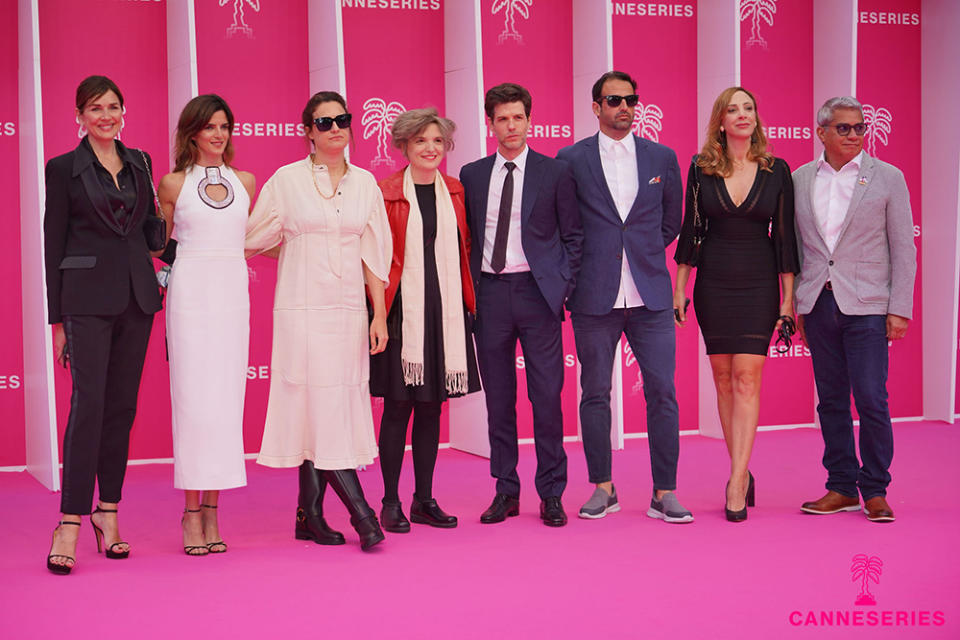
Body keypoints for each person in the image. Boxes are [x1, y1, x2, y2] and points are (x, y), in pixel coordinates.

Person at [245, 91, 391, 550]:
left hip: (348, 313)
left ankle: (308, 516)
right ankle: (364, 517)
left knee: (329, 409)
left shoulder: (366, 183)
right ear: (308, 131)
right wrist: (293, 251)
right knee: (320, 409)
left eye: (341, 120)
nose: (334, 129)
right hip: (302, 314)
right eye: (323, 123)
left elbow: (375, 253)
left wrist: (379, 314)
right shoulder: (286, 181)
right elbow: (250, 238)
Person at [557, 70, 692, 524]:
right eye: (613, 100)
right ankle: (603, 488)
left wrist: (644, 253)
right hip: (594, 295)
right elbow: (565, 226)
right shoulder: (571, 159)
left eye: (630, 99)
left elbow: (671, 221)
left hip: (650, 294)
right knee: (594, 393)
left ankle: (665, 493)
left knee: (663, 394)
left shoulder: (662, 157)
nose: (624, 107)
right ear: (595, 107)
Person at [43, 75, 163, 574]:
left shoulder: (141, 163)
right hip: (86, 301)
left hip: (137, 297)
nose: (106, 116)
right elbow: (54, 245)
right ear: (80, 115)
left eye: (114, 106)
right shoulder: (63, 168)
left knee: (121, 408)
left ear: (123, 112)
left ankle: (107, 514)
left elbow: (151, 232)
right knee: (88, 405)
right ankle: (70, 520)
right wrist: (57, 320)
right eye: (96, 108)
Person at [673, 86, 800, 522]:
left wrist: (787, 302)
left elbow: (785, 239)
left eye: (749, 108)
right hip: (713, 284)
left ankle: (736, 481)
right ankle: (742, 469)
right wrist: (680, 288)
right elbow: (691, 230)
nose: (742, 115)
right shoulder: (702, 167)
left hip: (759, 284)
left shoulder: (776, 169)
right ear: (721, 122)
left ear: (756, 119)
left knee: (747, 378)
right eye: (733, 109)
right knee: (723, 380)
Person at [459, 83, 582, 528]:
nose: (511, 126)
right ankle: (505, 490)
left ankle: (551, 492)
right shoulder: (471, 175)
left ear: (529, 120)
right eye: (502, 118)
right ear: (490, 123)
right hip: (490, 295)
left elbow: (574, 236)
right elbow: (468, 237)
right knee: (500, 401)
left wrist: (561, 286)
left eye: (518, 117)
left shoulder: (555, 173)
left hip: (538, 293)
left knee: (546, 396)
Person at [793, 96, 916, 523]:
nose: (853, 135)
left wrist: (899, 307)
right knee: (830, 400)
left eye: (859, 128)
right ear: (821, 131)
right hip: (818, 303)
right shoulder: (800, 179)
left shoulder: (888, 177)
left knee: (871, 397)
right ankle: (841, 487)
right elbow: (796, 248)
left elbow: (904, 247)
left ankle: (876, 489)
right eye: (843, 128)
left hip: (867, 306)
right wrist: (797, 305)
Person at [371, 108, 481, 533]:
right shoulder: (384, 193)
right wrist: (377, 313)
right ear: (403, 146)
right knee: (399, 407)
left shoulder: (455, 191)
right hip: (402, 312)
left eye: (437, 141)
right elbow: (377, 260)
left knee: (432, 409)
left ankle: (424, 499)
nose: (430, 149)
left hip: (445, 312)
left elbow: (464, 250)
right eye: (421, 141)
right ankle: (390, 501)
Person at [157, 95, 255, 555]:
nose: (219, 134)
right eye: (210, 126)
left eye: (225, 126)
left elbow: (255, 239)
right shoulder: (172, 183)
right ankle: (191, 513)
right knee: (194, 404)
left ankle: (214, 510)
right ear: (192, 132)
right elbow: (160, 247)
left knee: (225, 404)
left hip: (233, 297)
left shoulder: (246, 181)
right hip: (191, 298)